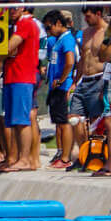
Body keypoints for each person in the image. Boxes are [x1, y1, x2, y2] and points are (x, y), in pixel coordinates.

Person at [0, 0, 41, 172]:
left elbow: (8, 47)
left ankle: (25, 159)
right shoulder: (15, 25)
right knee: (14, 121)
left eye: (15, 5)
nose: (12, 9)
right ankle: (17, 158)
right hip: (12, 76)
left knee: (22, 120)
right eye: (8, 5)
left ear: (23, 6)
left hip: (22, 77)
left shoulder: (26, 24)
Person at [67, 4, 110, 164]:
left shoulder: (108, 31)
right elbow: (81, 60)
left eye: (89, 15)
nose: (86, 19)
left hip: (99, 79)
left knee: (95, 121)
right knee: (74, 118)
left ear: (98, 13)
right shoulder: (85, 33)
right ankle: (84, 153)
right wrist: (74, 81)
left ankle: (95, 156)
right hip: (84, 80)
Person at [42, 9, 76, 169]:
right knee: (58, 121)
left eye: (49, 28)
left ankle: (65, 157)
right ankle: (61, 152)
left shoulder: (67, 39)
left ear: (57, 24)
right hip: (55, 86)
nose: (48, 32)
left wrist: (62, 79)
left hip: (63, 86)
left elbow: (70, 61)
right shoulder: (57, 40)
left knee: (64, 122)